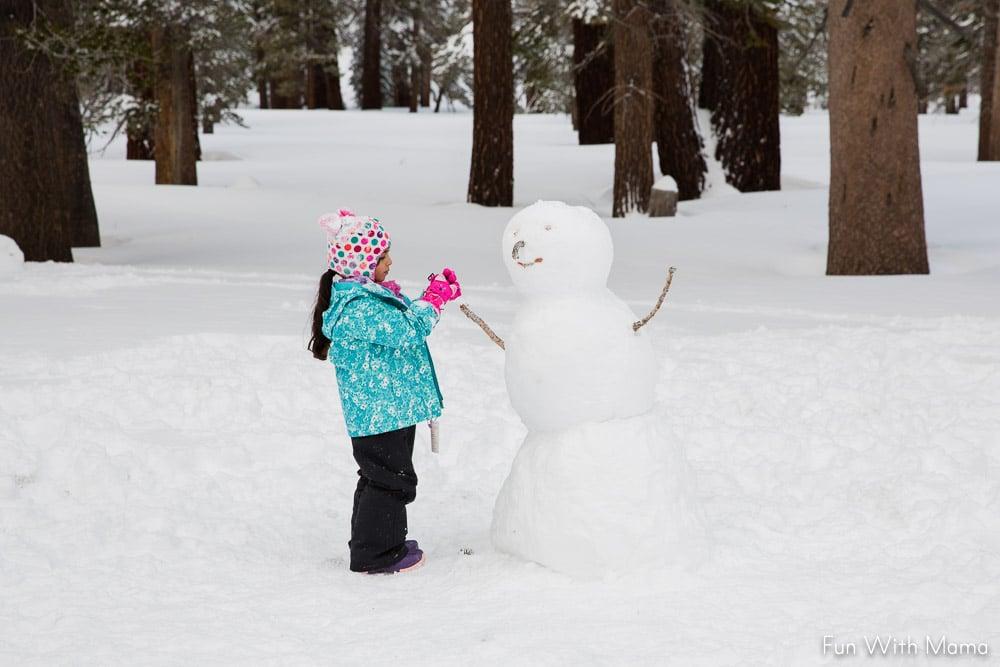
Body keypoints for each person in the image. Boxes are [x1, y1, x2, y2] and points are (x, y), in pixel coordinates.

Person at [308, 209, 460, 574]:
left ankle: (371, 543)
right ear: (362, 263)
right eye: (382, 256)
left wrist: (424, 298)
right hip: (381, 413)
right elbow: (407, 330)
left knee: (380, 476)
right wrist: (434, 300)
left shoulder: (365, 298)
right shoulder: (359, 308)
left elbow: (399, 323)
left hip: (387, 409)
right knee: (390, 479)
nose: (389, 261)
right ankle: (377, 555)